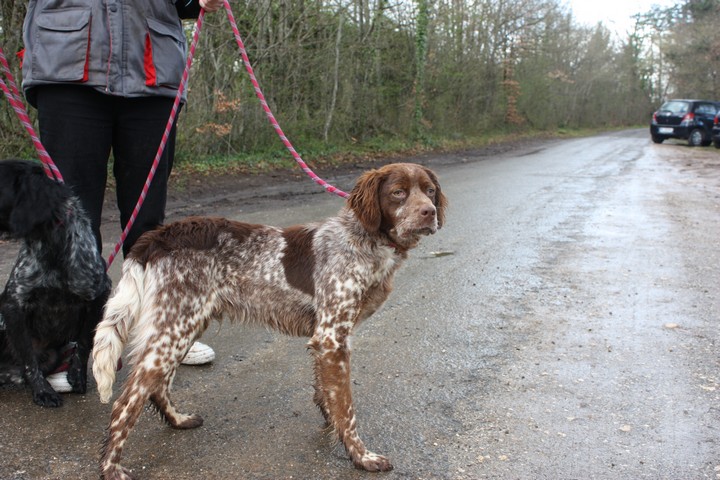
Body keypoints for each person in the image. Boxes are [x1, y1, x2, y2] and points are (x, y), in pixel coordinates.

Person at [20, 0, 224, 389]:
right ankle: (75, 341)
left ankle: (156, 332)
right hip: (67, 69)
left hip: (153, 70)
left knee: (148, 221)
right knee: (71, 223)